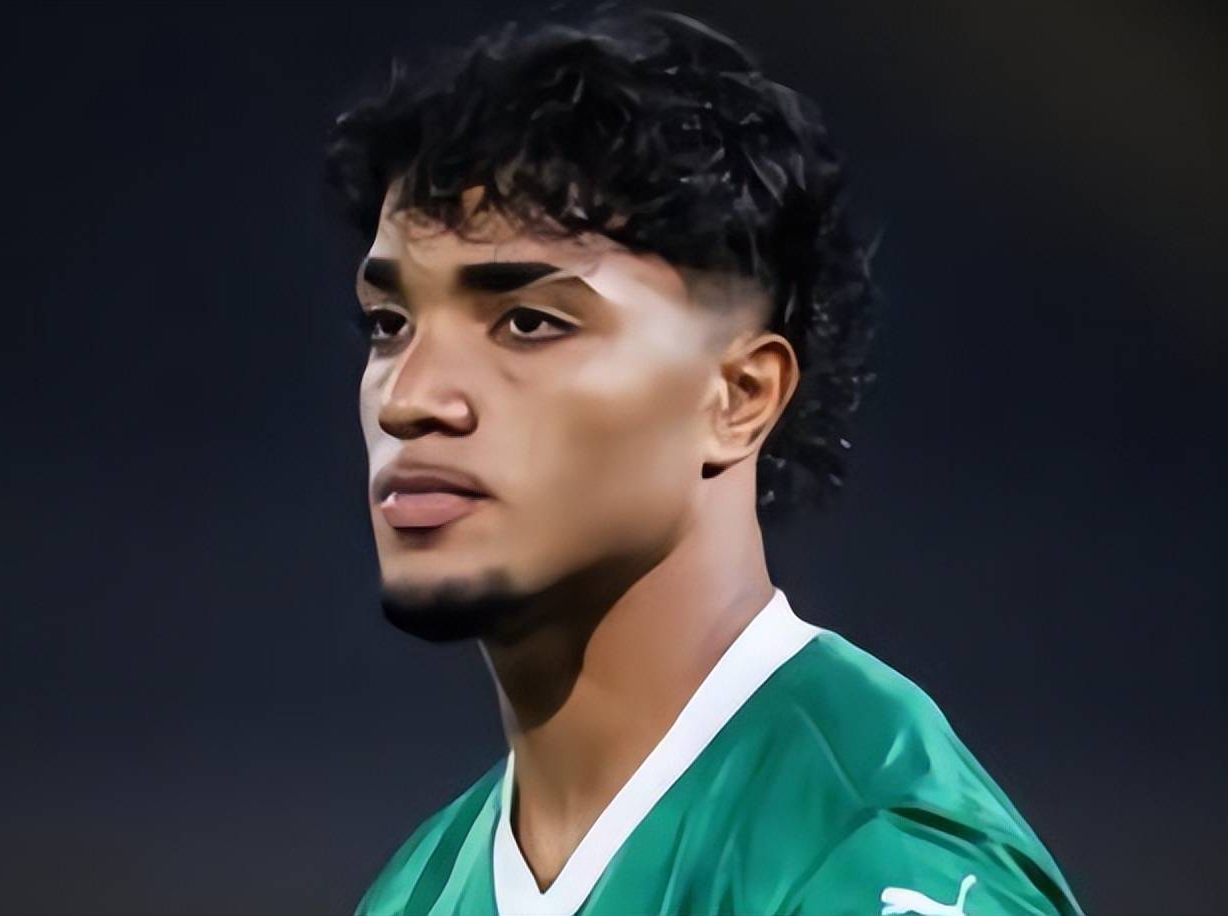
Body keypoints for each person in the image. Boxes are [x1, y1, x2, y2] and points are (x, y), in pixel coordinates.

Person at [323, 6, 1085, 914]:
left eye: (528, 323)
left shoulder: (875, 862)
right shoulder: (414, 893)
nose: (410, 398)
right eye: (389, 325)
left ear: (739, 398)